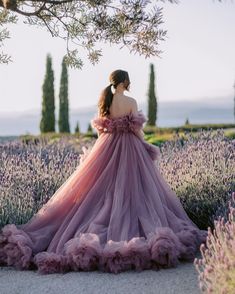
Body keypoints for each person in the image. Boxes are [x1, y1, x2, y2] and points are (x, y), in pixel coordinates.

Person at [0, 69, 208, 275]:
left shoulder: (105, 100)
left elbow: (101, 130)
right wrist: (143, 145)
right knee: (135, 188)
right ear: (125, 81)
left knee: (98, 189)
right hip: (130, 148)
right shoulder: (131, 102)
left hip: (107, 145)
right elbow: (137, 129)